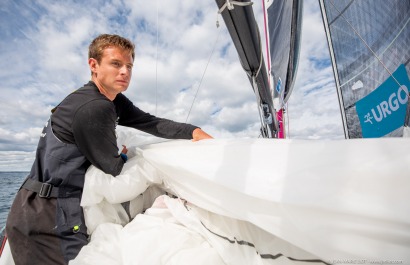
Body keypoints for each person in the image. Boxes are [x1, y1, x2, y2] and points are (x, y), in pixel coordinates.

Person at [6, 34, 212, 264]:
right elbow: (112, 168)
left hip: (30, 203)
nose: (125, 72)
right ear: (93, 65)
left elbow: (148, 122)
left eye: (129, 66)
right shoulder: (95, 107)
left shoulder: (109, 100)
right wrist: (123, 153)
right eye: (116, 64)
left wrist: (194, 131)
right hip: (49, 216)